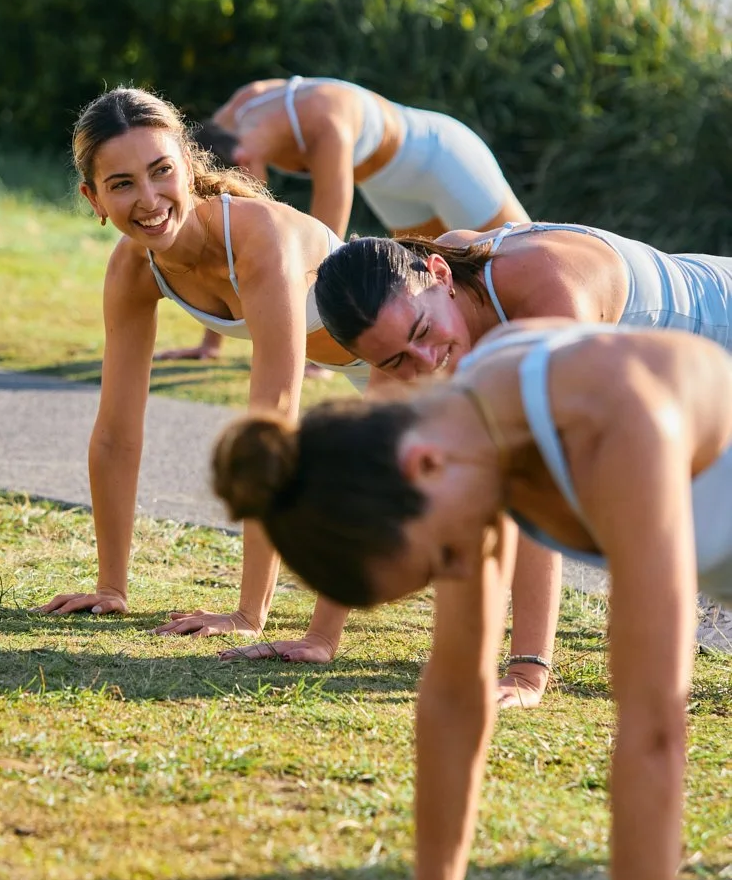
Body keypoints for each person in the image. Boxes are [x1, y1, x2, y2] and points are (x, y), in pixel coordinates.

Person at [213, 320, 732, 880]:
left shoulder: (615, 419)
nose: (464, 569)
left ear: (421, 465)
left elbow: (654, 728)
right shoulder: (472, 437)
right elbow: (457, 692)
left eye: (445, 558)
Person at [302, 223, 732, 703]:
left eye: (422, 333)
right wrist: (320, 637)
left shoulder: (549, 293)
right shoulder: (407, 315)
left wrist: (527, 672)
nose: (424, 361)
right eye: (395, 362)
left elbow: (533, 490)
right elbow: (374, 472)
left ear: (440, 274)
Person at [39, 87, 358, 648]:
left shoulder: (260, 239)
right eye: (121, 184)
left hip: (423, 355)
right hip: (376, 367)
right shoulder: (133, 269)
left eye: (161, 171)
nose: (149, 199)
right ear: (94, 199)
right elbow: (116, 434)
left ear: (188, 165)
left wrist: (248, 614)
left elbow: (273, 424)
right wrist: (111, 587)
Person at [158, 77, 525, 369]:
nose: (239, 201)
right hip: (388, 189)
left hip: (443, 159)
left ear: (242, 160)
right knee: (434, 297)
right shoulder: (234, 113)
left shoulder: (325, 125)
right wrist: (211, 342)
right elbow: (217, 238)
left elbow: (323, 257)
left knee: (514, 257)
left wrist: (320, 354)